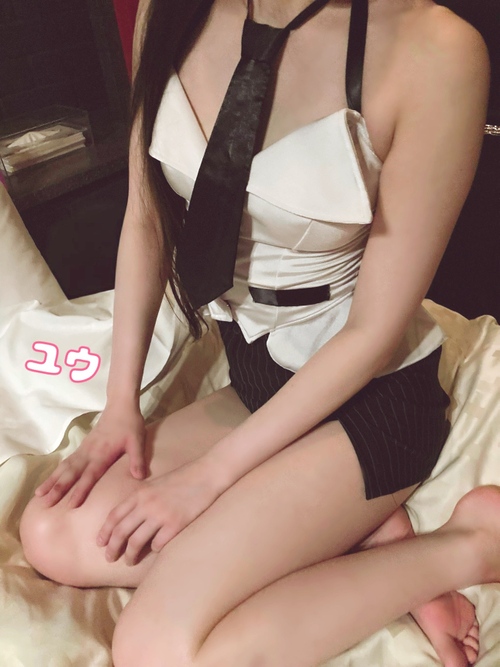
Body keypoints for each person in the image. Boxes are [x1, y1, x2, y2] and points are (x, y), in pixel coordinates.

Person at [19, 1, 495, 666]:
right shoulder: (170, 10)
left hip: (372, 401)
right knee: (51, 531)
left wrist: (209, 478)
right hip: (257, 375)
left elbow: (374, 331)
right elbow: (147, 218)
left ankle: (465, 546)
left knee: (160, 651)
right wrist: (119, 404)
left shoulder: (434, 49)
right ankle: (356, 534)